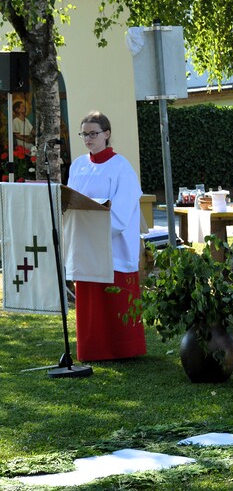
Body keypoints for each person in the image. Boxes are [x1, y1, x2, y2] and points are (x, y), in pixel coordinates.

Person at [67, 111, 145, 361]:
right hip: (85, 241)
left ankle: (124, 348)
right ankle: (93, 349)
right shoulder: (78, 165)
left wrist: (99, 230)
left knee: (116, 299)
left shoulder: (121, 166)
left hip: (113, 243)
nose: (88, 139)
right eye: (84, 134)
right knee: (91, 301)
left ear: (107, 134)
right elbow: (70, 199)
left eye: (93, 133)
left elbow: (123, 208)